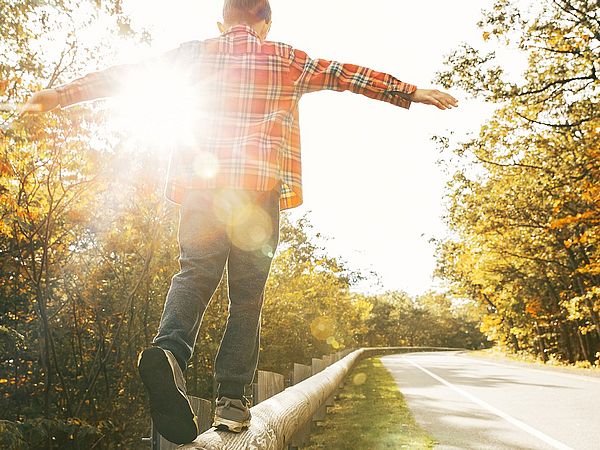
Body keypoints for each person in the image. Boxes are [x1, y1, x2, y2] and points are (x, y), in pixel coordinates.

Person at [21, 0, 458, 444]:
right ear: (266, 24)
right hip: (256, 194)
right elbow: (346, 74)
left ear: (221, 23)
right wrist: (409, 92)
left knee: (193, 273)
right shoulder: (286, 57)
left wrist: (61, 94)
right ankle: (231, 401)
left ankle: (169, 351)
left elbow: (129, 75)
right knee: (246, 298)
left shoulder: (194, 53)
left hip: (201, 189)